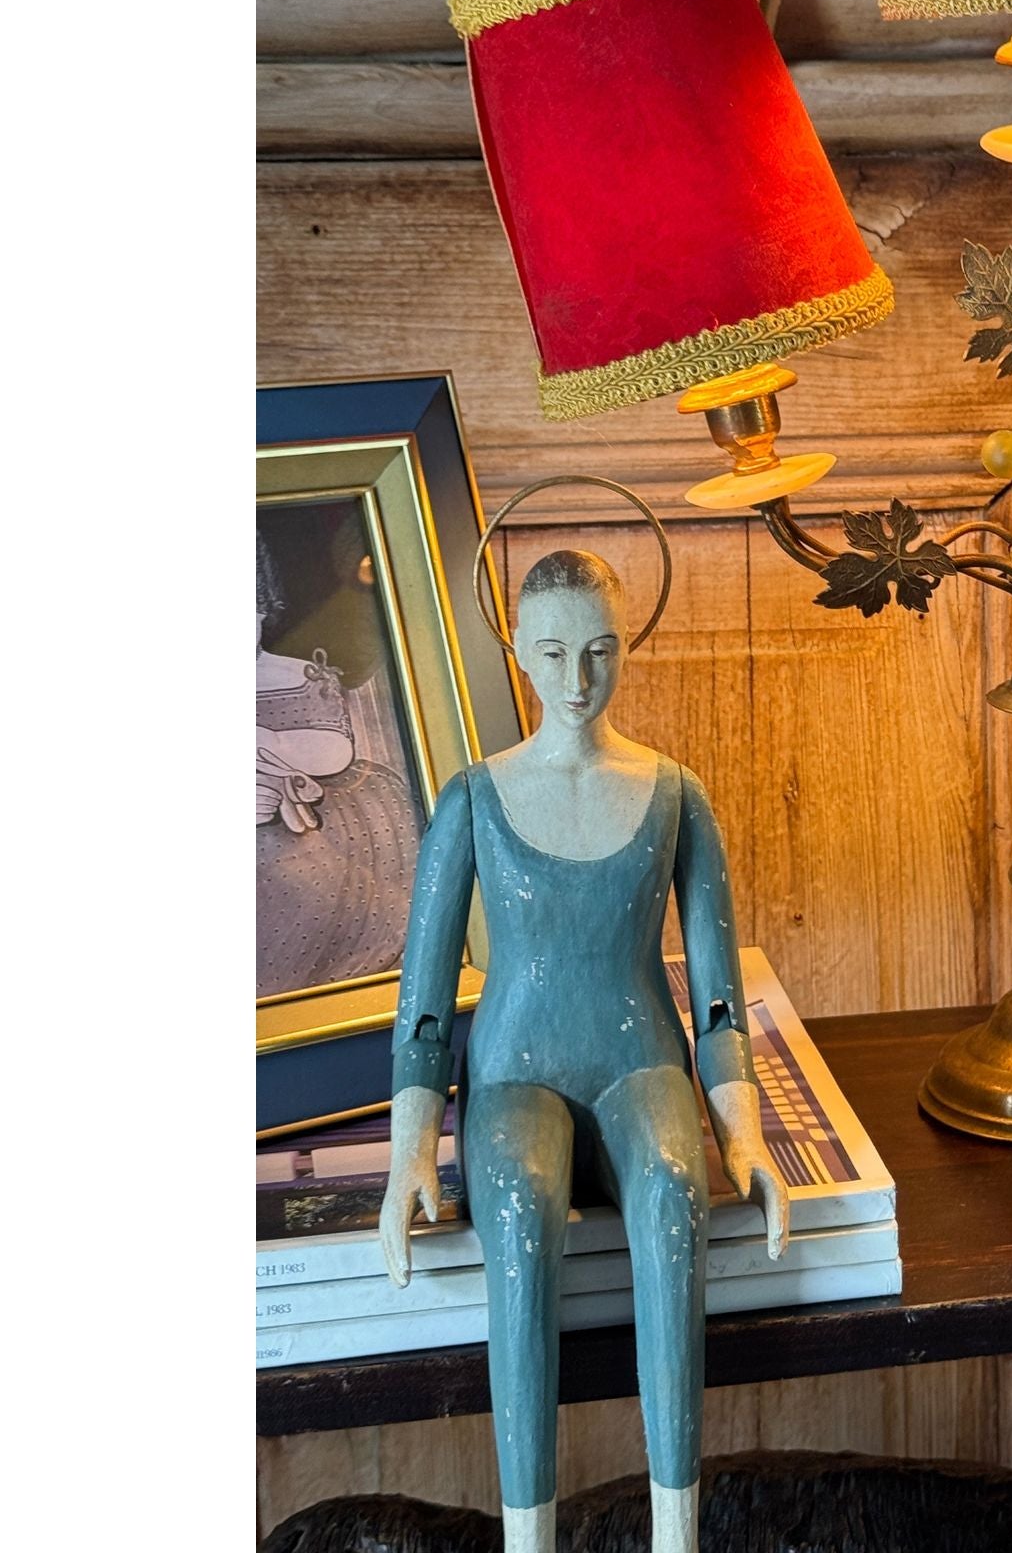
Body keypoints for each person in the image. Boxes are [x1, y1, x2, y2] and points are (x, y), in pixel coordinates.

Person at [380, 549, 788, 1553]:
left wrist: (741, 1132)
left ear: (624, 648)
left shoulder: (674, 793)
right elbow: (424, 999)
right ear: (520, 651)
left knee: (674, 1193)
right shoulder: (473, 799)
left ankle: (675, 1532)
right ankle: (529, 1537)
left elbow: (717, 993)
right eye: (555, 653)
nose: (576, 679)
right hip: (515, 1070)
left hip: (639, 1057)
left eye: (599, 652)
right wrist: (409, 1153)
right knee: (519, 1214)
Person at [256, 532, 418, 998]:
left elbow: (334, 746)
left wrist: (271, 744)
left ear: (264, 610)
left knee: (318, 873)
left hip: (308, 804)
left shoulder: (296, 674)